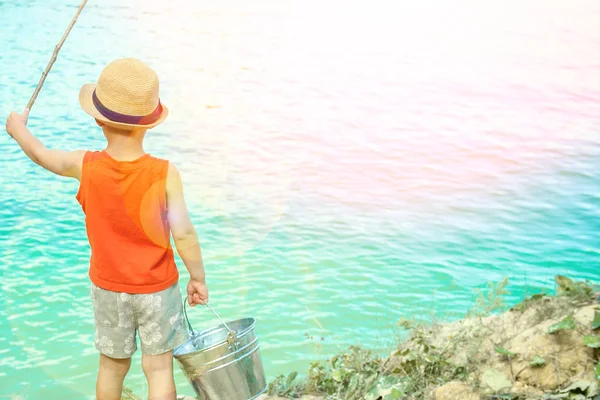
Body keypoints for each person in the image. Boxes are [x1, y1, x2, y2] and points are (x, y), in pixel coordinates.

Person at [5, 58, 208, 400]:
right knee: (158, 368)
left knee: (111, 368)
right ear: (150, 124)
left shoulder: (84, 166)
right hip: (157, 288)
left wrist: (18, 128)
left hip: (109, 289)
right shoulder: (165, 173)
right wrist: (198, 277)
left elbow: (41, 155)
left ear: (98, 118)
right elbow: (184, 233)